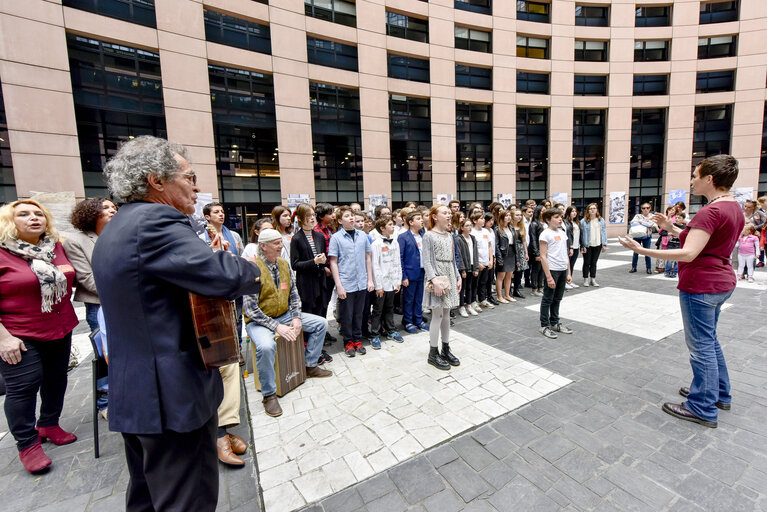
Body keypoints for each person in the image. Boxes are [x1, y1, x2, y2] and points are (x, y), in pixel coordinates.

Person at [92, 136, 262, 511]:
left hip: (137, 394)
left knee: (147, 498)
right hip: (170, 399)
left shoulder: (118, 225)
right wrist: (254, 270)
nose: (197, 187)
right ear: (156, 180)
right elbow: (222, 274)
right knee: (188, 501)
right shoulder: (156, 220)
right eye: (190, 176)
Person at [619, 154, 744, 428]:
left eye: (696, 175)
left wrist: (642, 249)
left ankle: (702, 405)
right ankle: (716, 393)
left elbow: (689, 253)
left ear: (709, 179)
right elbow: (703, 241)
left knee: (701, 347)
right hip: (720, 282)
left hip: (702, 285)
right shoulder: (732, 207)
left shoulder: (710, 211)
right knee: (709, 342)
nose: (692, 181)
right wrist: (670, 227)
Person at [0, 200, 79, 473]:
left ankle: (49, 424)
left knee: (57, 378)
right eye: (24, 214)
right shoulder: (2, 253)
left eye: (39, 214)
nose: (34, 218)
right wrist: (3, 338)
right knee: (24, 387)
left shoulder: (55, 247)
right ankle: (27, 445)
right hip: (18, 334)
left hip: (60, 326)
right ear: (10, 221)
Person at [244, 229, 332, 417]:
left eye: (280, 242)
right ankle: (269, 395)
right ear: (263, 246)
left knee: (321, 324)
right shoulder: (252, 269)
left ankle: (309, 365)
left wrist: (297, 317)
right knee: (266, 346)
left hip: (283, 315)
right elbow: (250, 309)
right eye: (276, 243)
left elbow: (293, 294)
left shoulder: (284, 264)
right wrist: (277, 326)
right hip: (258, 322)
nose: (281, 246)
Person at [64, 197, 117, 331]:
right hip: (100, 305)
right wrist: (123, 292)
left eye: (114, 208)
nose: (112, 211)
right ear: (90, 212)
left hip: (130, 301)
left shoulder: (121, 236)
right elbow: (86, 278)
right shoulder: (75, 241)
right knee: (107, 350)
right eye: (105, 208)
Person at [329, 206, 375, 356]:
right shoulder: (336, 238)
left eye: (352, 216)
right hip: (346, 283)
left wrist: (370, 280)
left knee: (359, 313)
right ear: (340, 221)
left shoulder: (362, 236)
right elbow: (333, 262)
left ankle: (357, 339)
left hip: (361, 282)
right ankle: (348, 341)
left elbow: (368, 258)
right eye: (347, 216)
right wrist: (339, 285)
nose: (351, 218)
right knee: (346, 315)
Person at [422, 205, 461, 370]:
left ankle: (446, 348)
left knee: (446, 313)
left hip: (450, 274)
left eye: (449, 213)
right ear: (435, 216)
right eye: (445, 213)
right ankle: (433, 352)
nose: (448, 215)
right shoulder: (429, 236)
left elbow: (452, 260)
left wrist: (458, 275)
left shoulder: (450, 235)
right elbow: (427, 260)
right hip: (437, 276)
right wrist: (434, 280)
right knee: (437, 315)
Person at [537, 207, 573, 339]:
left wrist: (568, 272)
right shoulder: (545, 234)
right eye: (557, 217)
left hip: (563, 270)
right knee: (548, 298)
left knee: (557, 298)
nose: (560, 219)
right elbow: (543, 256)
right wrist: (548, 277)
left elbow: (565, 254)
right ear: (548, 220)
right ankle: (544, 325)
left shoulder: (562, 233)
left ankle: (555, 322)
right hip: (552, 270)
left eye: (560, 217)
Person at [369, 216, 403, 349]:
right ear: (382, 228)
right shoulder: (376, 244)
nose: (393, 226)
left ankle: (391, 330)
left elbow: (397, 262)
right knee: (378, 309)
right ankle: (375, 334)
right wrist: (378, 286)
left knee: (390, 307)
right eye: (390, 224)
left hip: (392, 282)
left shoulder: (395, 242)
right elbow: (375, 266)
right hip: (381, 283)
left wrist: (398, 281)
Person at [399, 209, 429, 333]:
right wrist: (403, 276)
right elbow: (400, 257)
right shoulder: (403, 237)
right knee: (408, 299)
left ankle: (418, 319)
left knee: (419, 298)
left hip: (422, 271)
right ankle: (408, 321)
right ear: (411, 222)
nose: (421, 220)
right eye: (418, 219)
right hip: (410, 273)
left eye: (421, 218)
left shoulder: (424, 235)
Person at [580, 203, 607, 287]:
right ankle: (585, 279)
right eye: (590, 208)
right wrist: (582, 246)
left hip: (598, 244)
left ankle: (593, 279)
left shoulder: (601, 220)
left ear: (597, 210)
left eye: (594, 208)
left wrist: (604, 244)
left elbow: (604, 232)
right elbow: (581, 235)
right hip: (587, 245)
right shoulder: (583, 221)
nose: (592, 210)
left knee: (594, 262)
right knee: (586, 262)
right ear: (588, 210)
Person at [628, 203, 657, 274]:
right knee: (636, 252)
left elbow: (652, 224)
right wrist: (644, 222)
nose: (645, 209)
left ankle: (648, 268)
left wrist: (640, 222)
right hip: (637, 236)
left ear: (650, 208)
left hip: (647, 236)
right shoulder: (638, 216)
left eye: (647, 208)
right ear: (641, 209)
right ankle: (634, 267)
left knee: (647, 252)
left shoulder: (652, 216)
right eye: (643, 208)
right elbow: (632, 223)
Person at [494, 209, 516, 303]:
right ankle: (499, 296)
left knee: (509, 275)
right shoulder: (497, 229)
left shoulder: (511, 228)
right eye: (506, 216)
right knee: (501, 276)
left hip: (511, 252)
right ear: (502, 217)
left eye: (509, 215)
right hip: (502, 253)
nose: (508, 217)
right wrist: (499, 258)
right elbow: (496, 245)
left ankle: (507, 295)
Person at [510, 209, 529, 298]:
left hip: (521, 250)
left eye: (520, 215)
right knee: (510, 271)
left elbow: (524, 241)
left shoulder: (522, 227)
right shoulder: (509, 227)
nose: (519, 217)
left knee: (519, 271)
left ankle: (516, 289)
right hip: (513, 250)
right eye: (517, 215)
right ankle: (508, 289)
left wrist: (526, 253)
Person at [527, 204, 545, 296]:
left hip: (545, 250)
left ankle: (540, 287)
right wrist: (537, 253)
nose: (545, 212)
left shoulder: (546, 223)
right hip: (536, 250)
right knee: (536, 269)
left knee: (542, 269)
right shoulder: (534, 224)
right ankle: (534, 289)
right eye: (542, 210)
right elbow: (533, 239)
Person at [562, 206, 580, 290]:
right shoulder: (566, 222)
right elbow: (568, 236)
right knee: (568, 265)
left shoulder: (577, 222)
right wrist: (570, 246)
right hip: (570, 246)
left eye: (575, 211)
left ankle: (570, 280)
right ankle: (565, 281)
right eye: (572, 211)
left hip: (577, 246)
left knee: (572, 265)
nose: (574, 213)